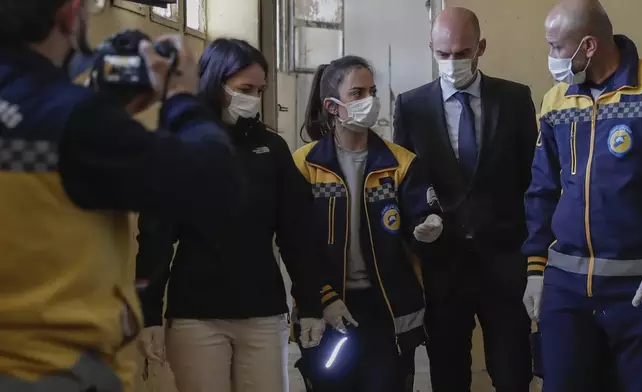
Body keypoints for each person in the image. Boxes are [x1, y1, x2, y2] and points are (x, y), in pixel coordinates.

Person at [0, 0, 245, 390]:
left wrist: (111, 117)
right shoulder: (73, 119)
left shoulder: (78, 123)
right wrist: (182, 97)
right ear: (68, 14)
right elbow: (215, 185)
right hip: (52, 369)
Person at [135, 38, 352, 392]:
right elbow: (155, 237)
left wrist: (310, 303)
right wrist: (148, 315)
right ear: (214, 83)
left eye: (260, 89)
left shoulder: (272, 149)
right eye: (244, 89)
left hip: (263, 312)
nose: (254, 97)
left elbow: (297, 233)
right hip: (196, 313)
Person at [394, 7, 536, 392]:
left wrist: (535, 258)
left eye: (461, 52)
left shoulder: (515, 99)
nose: (452, 61)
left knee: (512, 370)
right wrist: (417, 228)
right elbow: (405, 184)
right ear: (431, 50)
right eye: (443, 53)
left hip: (505, 261)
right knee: (448, 371)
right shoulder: (411, 106)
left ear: (481, 48)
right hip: (444, 264)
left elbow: (532, 181)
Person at [292, 55, 443, 392]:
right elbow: (296, 244)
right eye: (357, 93)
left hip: (388, 310)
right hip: (329, 308)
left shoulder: (400, 163)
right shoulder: (305, 165)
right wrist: (324, 297)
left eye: (372, 91)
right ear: (332, 106)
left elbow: (420, 219)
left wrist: (430, 225)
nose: (369, 101)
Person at [522, 0, 642, 390]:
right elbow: (542, 189)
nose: (552, 57)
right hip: (566, 291)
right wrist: (536, 270)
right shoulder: (555, 100)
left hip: (635, 291)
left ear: (588, 46)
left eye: (557, 47)